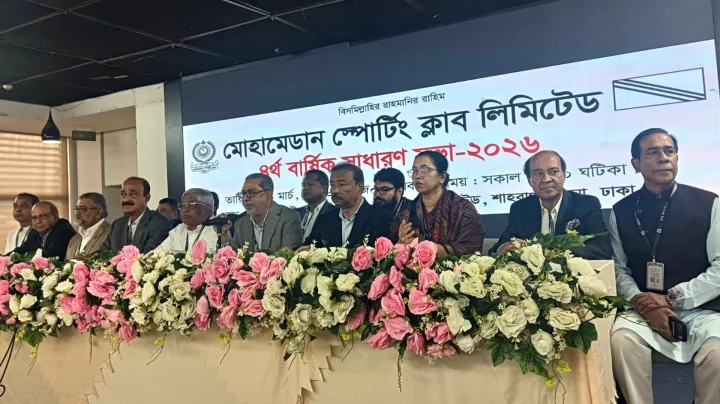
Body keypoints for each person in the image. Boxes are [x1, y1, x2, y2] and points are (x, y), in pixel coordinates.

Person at [610, 128, 720, 404]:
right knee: (621, 341)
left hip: (701, 308)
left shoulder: (707, 203)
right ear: (636, 163)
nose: (663, 158)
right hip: (642, 310)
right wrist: (641, 301)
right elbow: (619, 269)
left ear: (677, 158)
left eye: (669, 151)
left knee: (718, 350)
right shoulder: (621, 210)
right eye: (653, 152)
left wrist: (672, 298)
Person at [490, 150, 612, 259]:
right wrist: (502, 249)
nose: (546, 179)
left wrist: (552, 253)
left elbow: (602, 248)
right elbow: (497, 248)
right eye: (538, 174)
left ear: (564, 175)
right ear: (529, 181)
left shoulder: (586, 204)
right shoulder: (520, 209)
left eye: (553, 172)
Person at [393, 151, 484, 257]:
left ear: (442, 177)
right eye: (414, 171)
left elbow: (472, 249)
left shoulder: (463, 209)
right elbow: (391, 252)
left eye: (424, 170)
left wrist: (426, 248)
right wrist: (400, 243)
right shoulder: (406, 212)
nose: (417, 176)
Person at [299, 163, 392, 250]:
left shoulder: (381, 218)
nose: (335, 190)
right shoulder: (325, 220)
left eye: (342, 184)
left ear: (360, 187)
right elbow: (307, 248)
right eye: (332, 185)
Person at [223, 173, 302, 252]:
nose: (245, 198)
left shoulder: (288, 217)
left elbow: (289, 256)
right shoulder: (240, 224)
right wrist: (223, 235)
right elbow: (233, 257)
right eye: (243, 193)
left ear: (268, 195)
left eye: (251, 192)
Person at [103, 177, 171, 253]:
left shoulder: (159, 223)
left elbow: (149, 256)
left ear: (147, 198)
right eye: (123, 194)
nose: (125, 199)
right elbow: (102, 253)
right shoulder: (117, 224)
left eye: (133, 194)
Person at [158, 188, 218, 254]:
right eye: (183, 205)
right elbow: (157, 254)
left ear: (207, 208)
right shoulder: (178, 231)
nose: (184, 209)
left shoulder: (217, 228)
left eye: (191, 204)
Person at [65, 192, 111, 260]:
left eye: (82, 209)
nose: (77, 212)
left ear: (98, 212)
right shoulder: (74, 239)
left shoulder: (111, 233)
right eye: (76, 208)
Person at [295, 170, 334, 241]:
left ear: (324, 189)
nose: (305, 188)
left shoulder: (334, 213)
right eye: (303, 185)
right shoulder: (295, 213)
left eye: (310, 185)